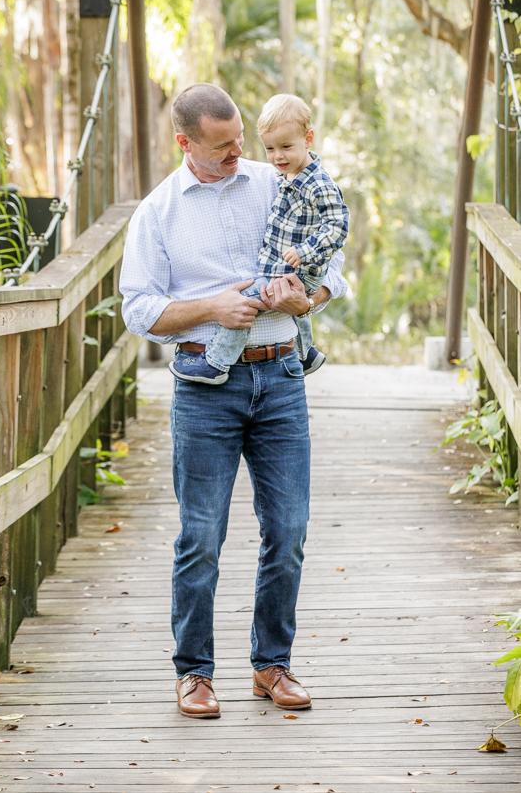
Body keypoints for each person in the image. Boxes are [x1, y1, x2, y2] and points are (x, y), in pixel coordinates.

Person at [120, 83, 348, 720]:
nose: (238, 155)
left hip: (279, 376)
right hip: (203, 385)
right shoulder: (158, 211)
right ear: (184, 143)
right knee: (201, 535)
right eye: (222, 149)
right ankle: (194, 672)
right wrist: (212, 306)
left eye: (241, 141)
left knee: (290, 531)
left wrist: (312, 299)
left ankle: (271, 665)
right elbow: (137, 308)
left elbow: (334, 265)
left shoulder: (278, 180)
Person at [169, 93, 349, 385]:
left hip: (295, 270)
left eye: (239, 139)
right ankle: (307, 354)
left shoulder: (317, 184)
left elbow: (338, 227)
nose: (277, 157)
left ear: (308, 138)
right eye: (269, 148)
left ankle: (215, 362)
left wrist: (306, 263)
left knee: (244, 302)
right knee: (265, 298)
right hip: (282, 268)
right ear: (185, 143)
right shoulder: (285, 176)